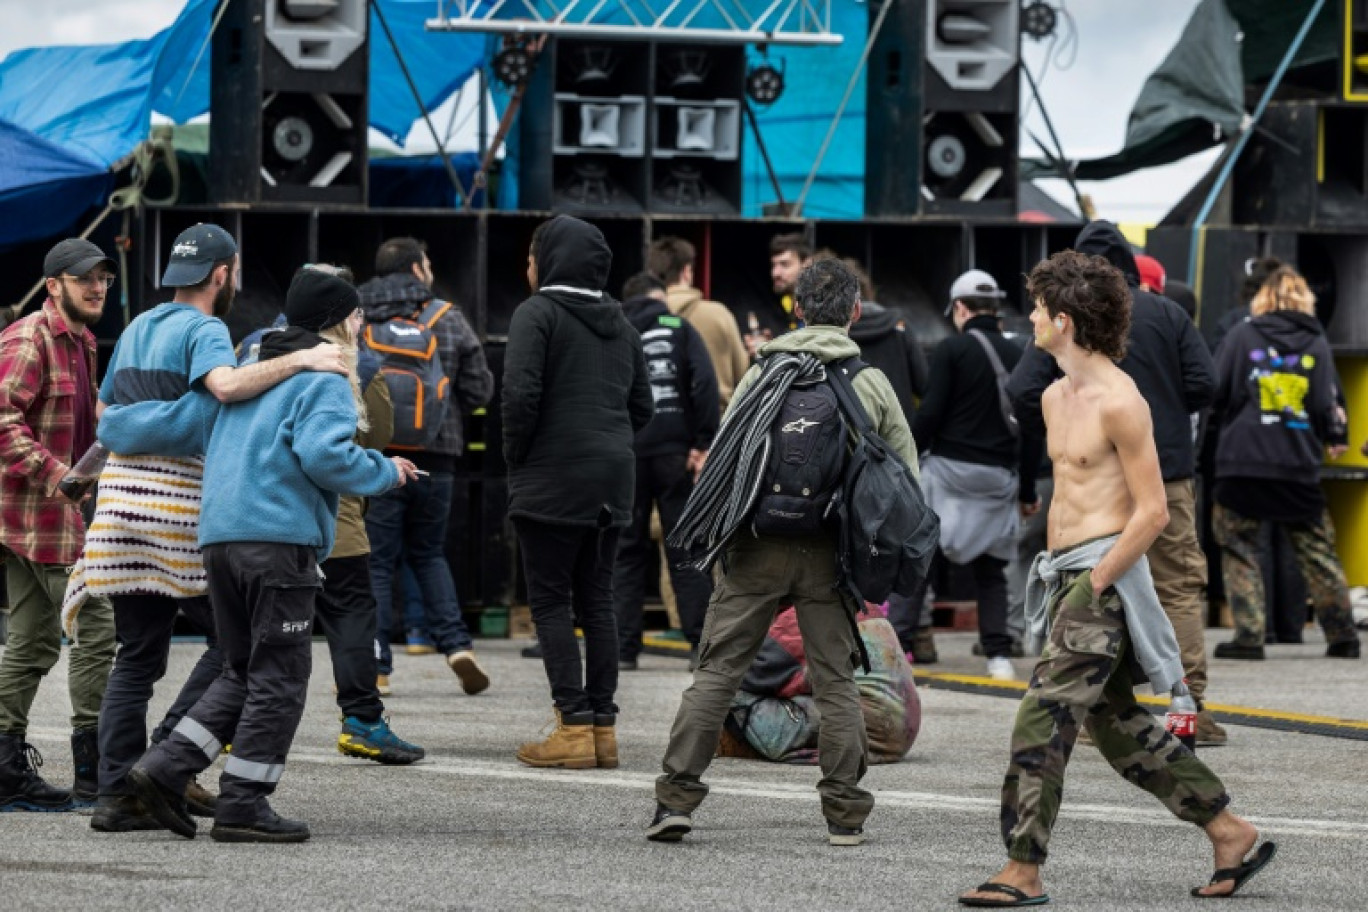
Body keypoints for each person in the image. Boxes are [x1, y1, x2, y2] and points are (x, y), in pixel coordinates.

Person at [959, 249, 1275, 907]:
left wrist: (1098, 580)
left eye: (1040, 311)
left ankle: (1021, 869)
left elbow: (1154, 510)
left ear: (1065, 321)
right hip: (1066, 580)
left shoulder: (1120, 401)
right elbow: (1067, 495)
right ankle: (1228, 829)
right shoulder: (1053, 395)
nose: (1032, 320)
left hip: (1101, 583)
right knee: (1115, 725)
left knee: (1039, 721)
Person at [61, 223, 347, 832]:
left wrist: (134, 428)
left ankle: (116, 795)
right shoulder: (206, 328)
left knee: (136, 655)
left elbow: (110, 418)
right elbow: (223, 389)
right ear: (223, 274)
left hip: (118, 507)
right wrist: (304, 357)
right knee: (233, 649)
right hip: (176, 509)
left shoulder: (138, 324)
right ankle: (167, 764)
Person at [128, 268, 415, 844]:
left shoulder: (250, 368)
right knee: (281, 674)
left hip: (222, 539)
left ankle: (164, 770)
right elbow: (324, 457)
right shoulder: (328, 374)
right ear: (341, 322)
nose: (361, 327)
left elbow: (197, 425)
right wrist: (388, 472)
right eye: (357, 317)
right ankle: (243, 803)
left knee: (240, 669)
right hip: (278, 543)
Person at [648, 258, 916, 848]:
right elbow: (904, 476)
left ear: (795, 310)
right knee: (835, 681)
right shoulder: (867, 381)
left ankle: (676, 799)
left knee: (717, 672)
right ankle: (845, 814)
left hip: (755, 548)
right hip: (827, 553)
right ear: (855, 313)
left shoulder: (763, 372)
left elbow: (724, 456)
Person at [1008, 220, 1226, 746]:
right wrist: (1166, 412)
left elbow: (1020, 388)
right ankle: (1187, 711)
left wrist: (1073, 428)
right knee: (1174, 591)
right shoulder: (1169, 313)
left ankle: (1088, 710)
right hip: (1167, 471)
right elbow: (1206, 383)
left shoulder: (1070, 331)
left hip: (1094, 487)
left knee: (1091, 592)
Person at [236, 266, 427, 763]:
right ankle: (362, 721)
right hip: (327, 519)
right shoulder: (349, 366)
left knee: (248, 631)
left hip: (243, 512)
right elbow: (374, 436)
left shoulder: (252, 350)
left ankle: (225, 723)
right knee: (352, 614)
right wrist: (383, 471)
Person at [504, 216, 653, 769]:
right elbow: (644, 408)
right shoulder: (624, 326)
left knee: (549, 600)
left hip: (551, 475)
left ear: (550, 261)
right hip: (613, 478)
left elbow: (519, 395)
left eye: (531, 254)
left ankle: (571, 728)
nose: (527, 265)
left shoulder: (537, 313)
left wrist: (517, 458)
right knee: (599, 600)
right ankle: (603, 730)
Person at [0, 238, 117, 811]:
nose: (97, 287)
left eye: (103, 278)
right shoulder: (29, 338)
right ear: (53, 285)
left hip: (48, 516)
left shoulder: (84, 342)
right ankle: (97, 774)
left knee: (32, 638)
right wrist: (59, 475)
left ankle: (3, 772)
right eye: (84, 279)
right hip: (39, 514)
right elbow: (1, 418)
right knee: (95, 624)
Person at [356, 237, 494, 696]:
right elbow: (479, 391)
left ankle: (377, 666)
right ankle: (457, 646)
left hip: (376, 458)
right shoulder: (446, 317)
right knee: (429, 553)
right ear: (417, 269)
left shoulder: (358, 315)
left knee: (377, 561)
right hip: (438, 457)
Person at [1209, 266, 1360, 660]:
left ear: (1263, 298)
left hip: (1243, 460)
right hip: (1296, 461)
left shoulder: (1242, 335)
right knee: (1317, 550)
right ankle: (1343, 635)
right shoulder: (1317, 342)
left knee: (1239, 546)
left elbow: (1216, 390)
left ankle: (1249, 636)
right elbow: (1327, 400)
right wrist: (1334, 436)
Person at [914, 269, 1035, 680]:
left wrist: (905, 457)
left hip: (947, 474)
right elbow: (1033, 427)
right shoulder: (1020, 354)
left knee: (921, 558)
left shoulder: (952, 350)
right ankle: (998, 656)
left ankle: (904, 642)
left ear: (961, 308)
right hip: (999, 478)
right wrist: (1029, 487)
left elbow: (930, 412)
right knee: (991, 571)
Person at [613, 272, 718, 672]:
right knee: (685, 549)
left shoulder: (615, 329)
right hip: (676, 452)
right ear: (660, 297)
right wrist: (704, 442)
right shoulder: (680, 327)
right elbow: (704, 382)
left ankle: (624, 649)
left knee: (625, 550)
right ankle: (699, 644)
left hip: (627, 452)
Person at [718, 603, 920, 766]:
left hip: (868, 732)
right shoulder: (864, 604)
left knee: (726, 686)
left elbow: (749, 675)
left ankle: (720, 744)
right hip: (897, 736)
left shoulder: (805, 614)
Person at [647, 237, 749, 411]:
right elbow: (743, 374)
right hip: (718, 425)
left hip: (661, 424)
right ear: (687, 271)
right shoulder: (718, 314)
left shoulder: (645, 317)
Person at [736, 233, 811, 359]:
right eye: (773, 265)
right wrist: (770, 347)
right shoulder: (785, 304)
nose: (775, 273)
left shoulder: (816, 307)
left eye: (784, 264)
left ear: (806, 263)